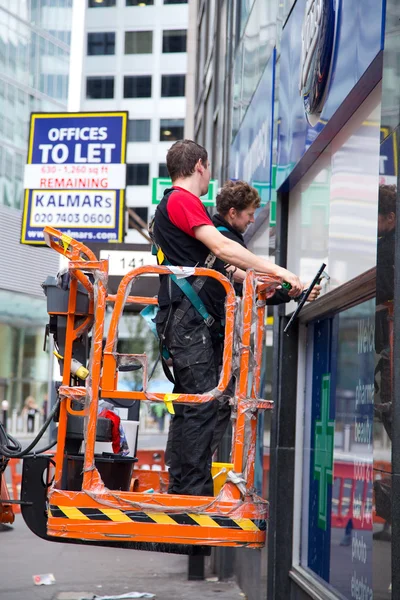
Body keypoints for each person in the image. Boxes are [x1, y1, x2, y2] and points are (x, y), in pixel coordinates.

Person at [152, 139, 303, 497]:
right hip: (188, 323)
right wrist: (279, 270)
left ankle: (187, 487)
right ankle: (191, 492)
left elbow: (222, 266)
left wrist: (273, 286)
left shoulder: (178, 205)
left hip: (187, 321)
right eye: (208, 170)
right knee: (201, 405)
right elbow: (222, 249)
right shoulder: (182, 201)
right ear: (200, 165)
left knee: (198, 404)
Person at [210, 179, 321, 453]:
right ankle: (193, 480)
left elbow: (254, 287)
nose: (251, 221)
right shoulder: (223, 240)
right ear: (233, 212)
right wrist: (291, 288)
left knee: (215, 408)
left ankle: (194, 476)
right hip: (217, 339)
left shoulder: (223, 236)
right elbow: (246, 284)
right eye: (249, 215)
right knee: (214, 408)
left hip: (217, 337)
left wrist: (293, 292)